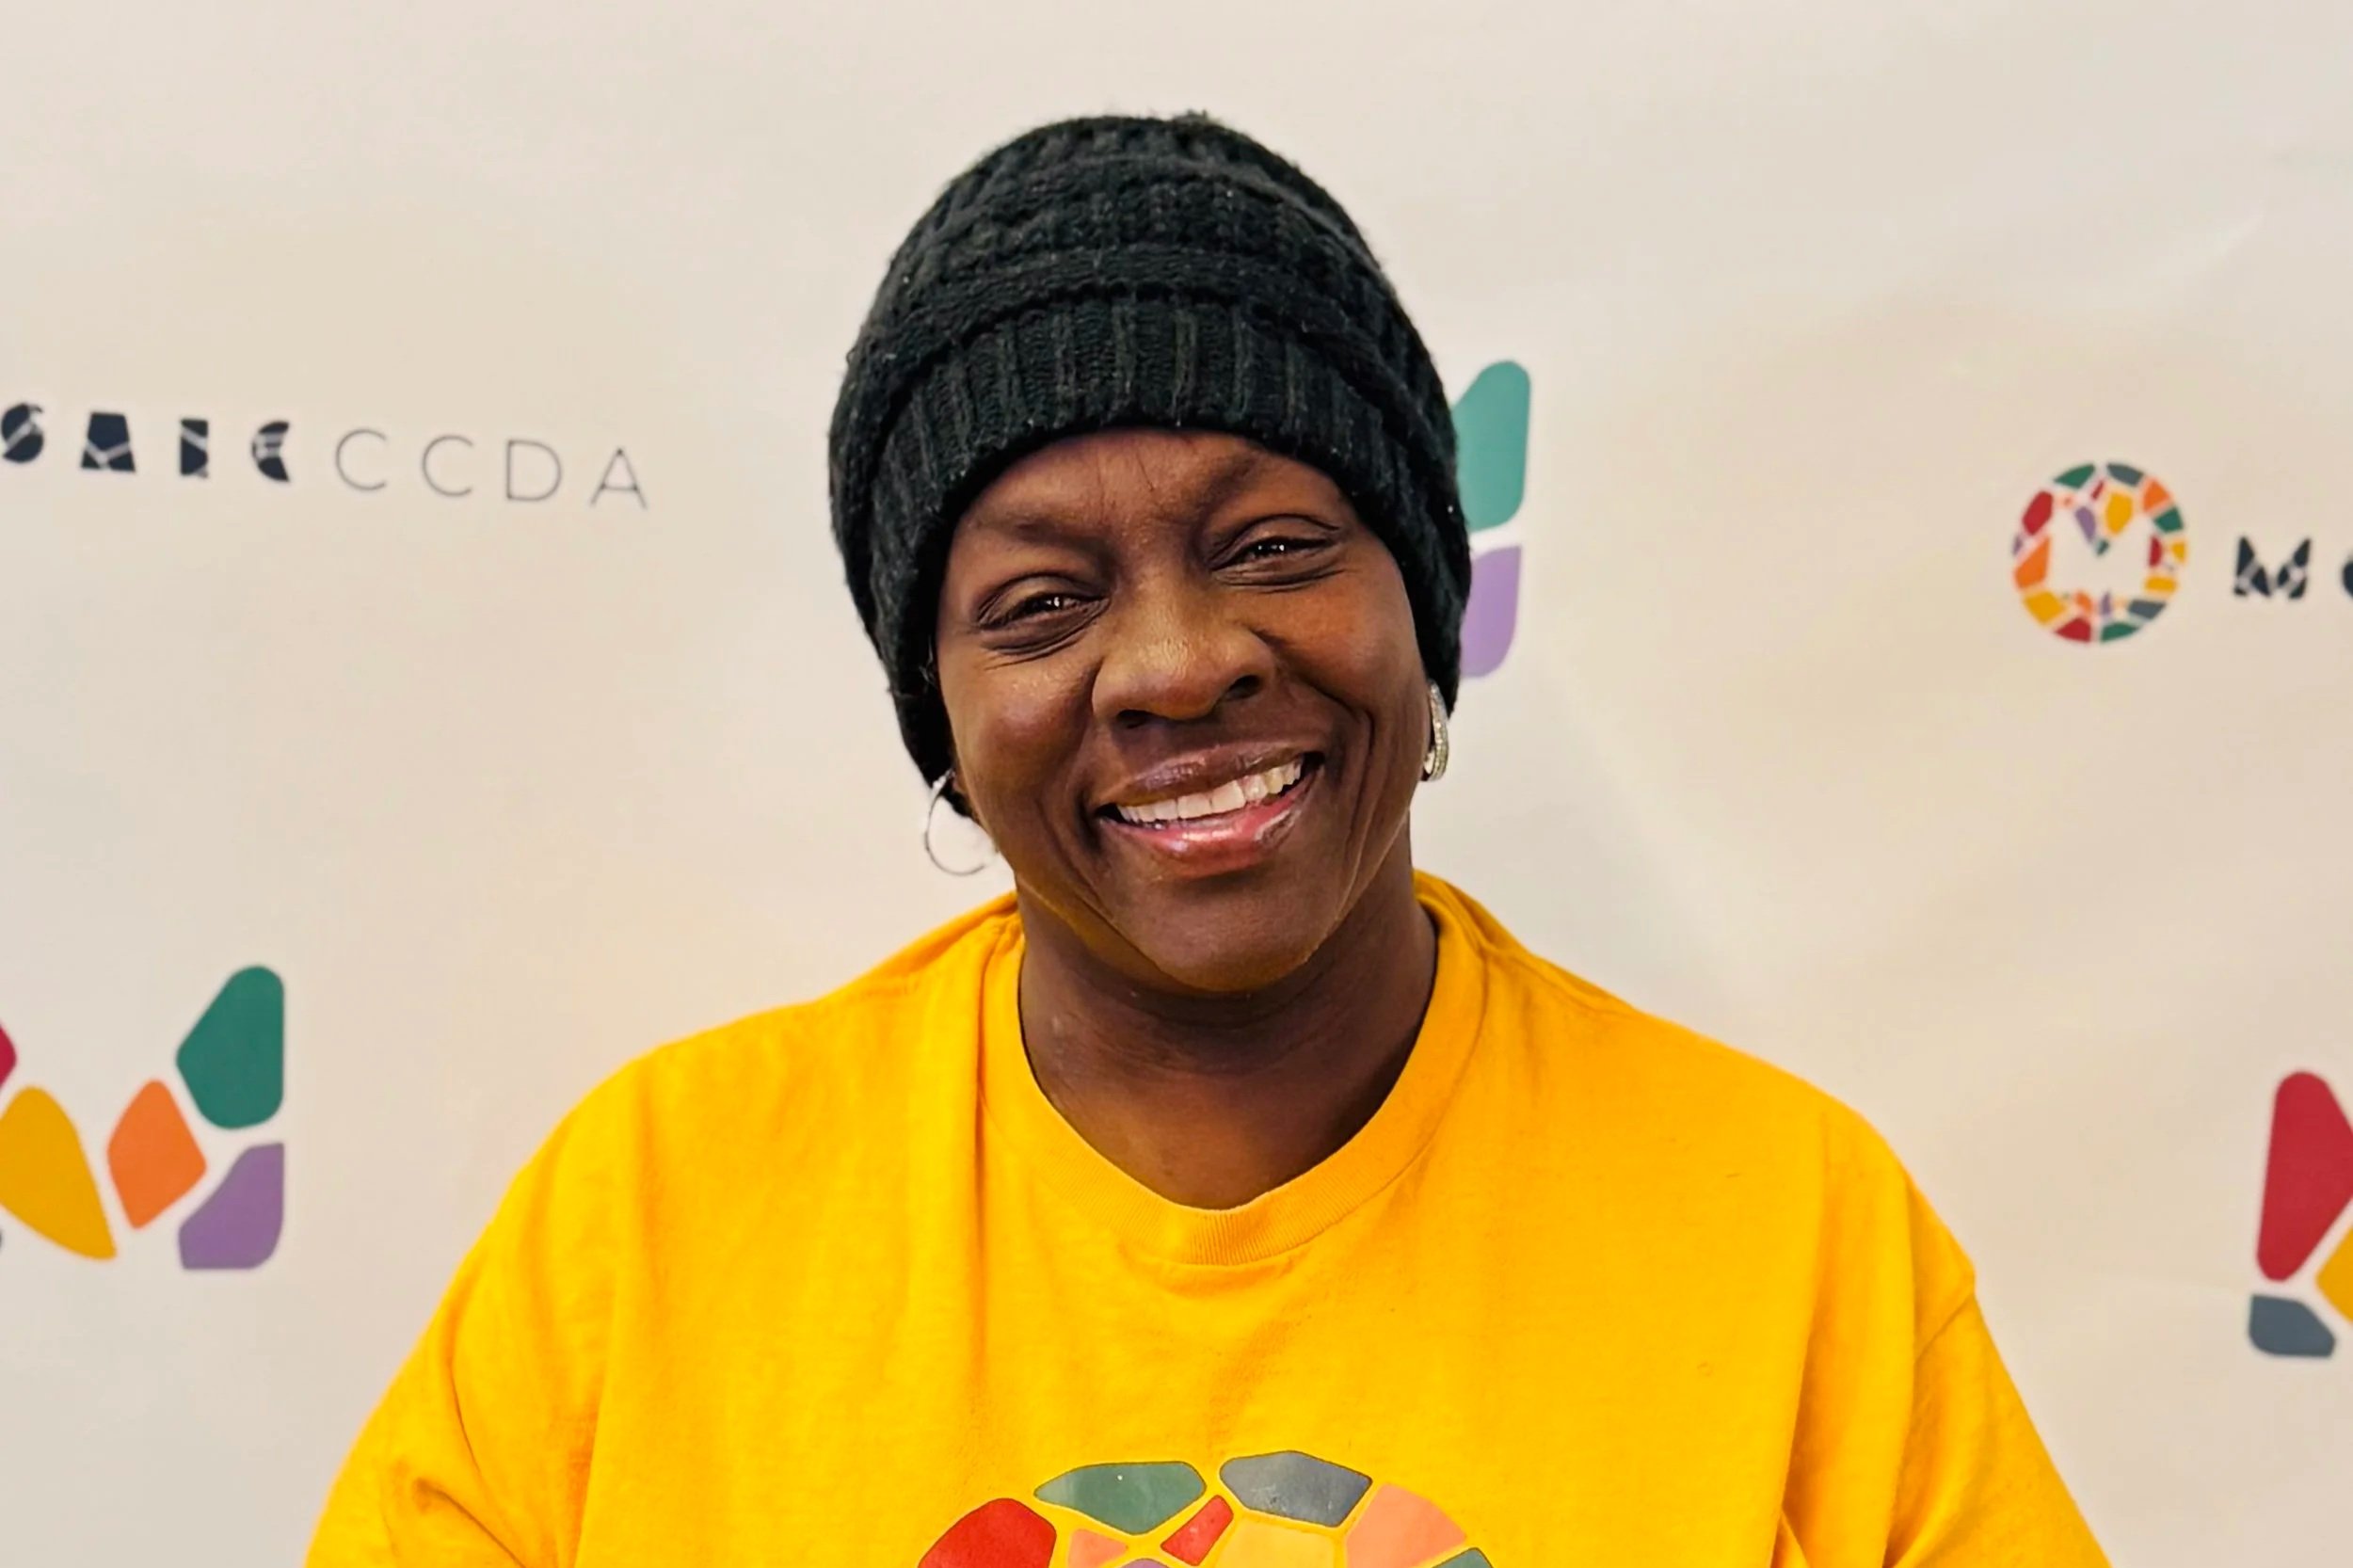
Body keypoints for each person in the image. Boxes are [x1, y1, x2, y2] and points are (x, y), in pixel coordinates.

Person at [308, 113, 2107, 1567]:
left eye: (1274, 546)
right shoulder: (648, 1225)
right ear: (943, 722)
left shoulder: (1790, 1234)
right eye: (1041, 601)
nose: (1176, 663)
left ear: (1425, 609)